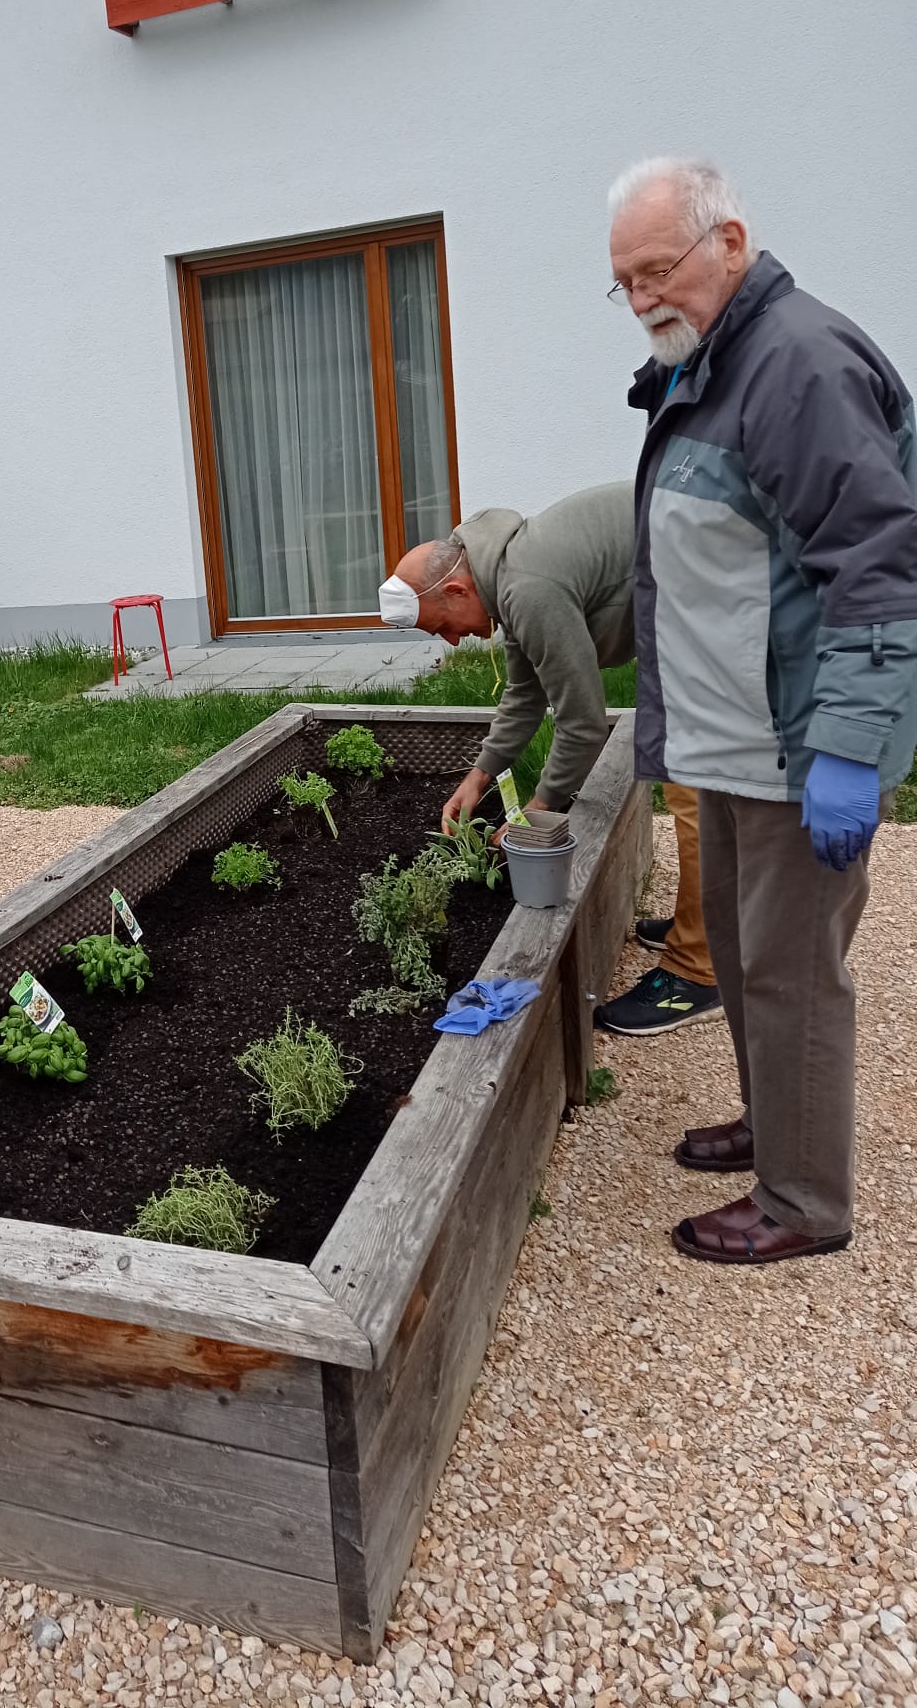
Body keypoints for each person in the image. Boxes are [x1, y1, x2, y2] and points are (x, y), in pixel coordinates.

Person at [608, 155, 917, 1264]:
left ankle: (802, 1201)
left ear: (727, 243)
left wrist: (845, 746)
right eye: (623, 279)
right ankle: (772, 1123)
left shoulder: (795, 365)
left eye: (659, 268)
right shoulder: (714, 364)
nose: (642, 296)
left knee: (790, 972)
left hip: (795, 747)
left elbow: (876, 565)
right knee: (742, 964)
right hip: (732, 743)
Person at [378, 488, 721, 1033]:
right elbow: (525, 693)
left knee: (695, 788)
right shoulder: (506, 571)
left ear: (459, 588)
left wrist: (535, 818)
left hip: (713, 602)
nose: (452, 640)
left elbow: (583, 722)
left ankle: (700, 969)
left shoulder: (528, 587)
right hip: (689, 598)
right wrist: (478, 776)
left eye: (442, 625)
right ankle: (703, 926)